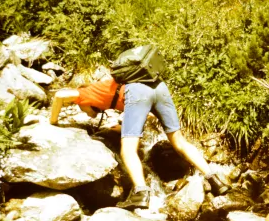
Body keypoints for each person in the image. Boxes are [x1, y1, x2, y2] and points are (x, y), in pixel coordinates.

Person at [49, 74, 229, 209]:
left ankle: (141, 193)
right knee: (180, 143)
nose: (82, 110)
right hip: (158, 88)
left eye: (81, 107)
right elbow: (148, 116)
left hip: (137, 92)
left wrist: (53, 122)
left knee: (127, 150)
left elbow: (59, 96)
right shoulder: (110, 92)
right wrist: (124, 128)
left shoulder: (85, 93)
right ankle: (214, 180)